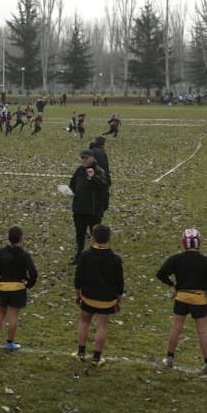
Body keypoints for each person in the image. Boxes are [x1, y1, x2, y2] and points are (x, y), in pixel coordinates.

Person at [154, 228, 207, 375]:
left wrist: (173, 285)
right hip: (199, 299)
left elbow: (160, 274)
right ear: (199, 242)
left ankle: (169, 358)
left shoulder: (177, 259)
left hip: (181, 298)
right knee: (202, 331)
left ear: (184, 243)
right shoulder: (206, 261)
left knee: (176, 328)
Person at [73, 224, 124, 367]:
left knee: (84, 322)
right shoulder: (115, 259)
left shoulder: (85, 255)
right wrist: (118, 301)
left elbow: (78, 279)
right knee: (102, 326)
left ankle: (81, 353)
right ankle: (96, 357)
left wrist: (78, 295)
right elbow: (119, 283)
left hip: (88, 297)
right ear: (110, 239)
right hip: (106, 300)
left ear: (93, 237)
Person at [0, 226, 39, 351]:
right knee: (13, 315)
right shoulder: (25, 255)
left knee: (0, 312)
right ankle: (9, 342)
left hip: (3, 287)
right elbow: (34, 273)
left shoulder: (1, 252)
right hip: (18, 288)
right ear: (21, 238)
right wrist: (29, 285)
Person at [69, 148, 110, 262]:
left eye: (86, 158)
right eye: (82, 157)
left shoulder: (99, 171)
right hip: (79, 209)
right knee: (80, 234)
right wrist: (68, 191)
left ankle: (97, 256)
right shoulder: (79, 171)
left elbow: (104, 186)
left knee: (95, 235)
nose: (84, 160)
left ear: (92, 158)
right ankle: (79, 255)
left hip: (93, 210)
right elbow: (72, 185)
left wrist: (93, 177)